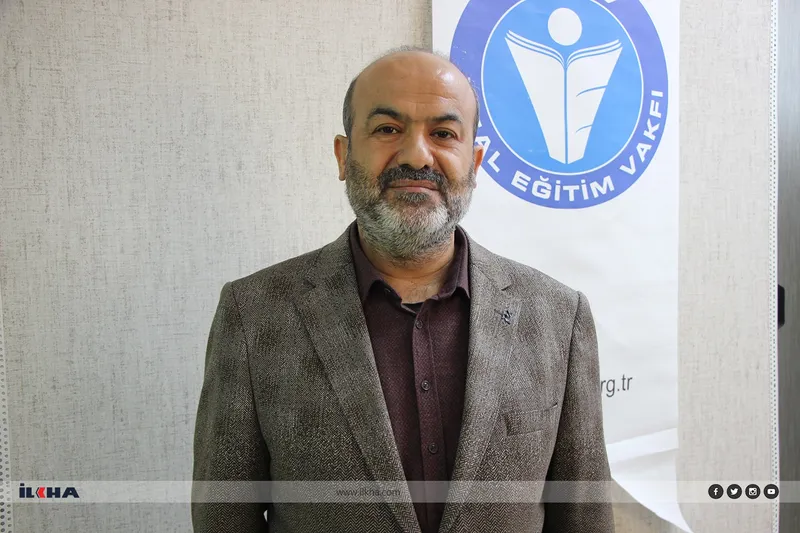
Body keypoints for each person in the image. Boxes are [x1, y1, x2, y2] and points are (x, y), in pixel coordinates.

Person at [192, 46, 614, 533]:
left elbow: (585, 517)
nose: (416, 155)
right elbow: (224, 518)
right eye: (388, 129)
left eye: (443, 134)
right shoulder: (254, 315)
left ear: (475, 162)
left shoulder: (559, 317)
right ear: (344, 156)